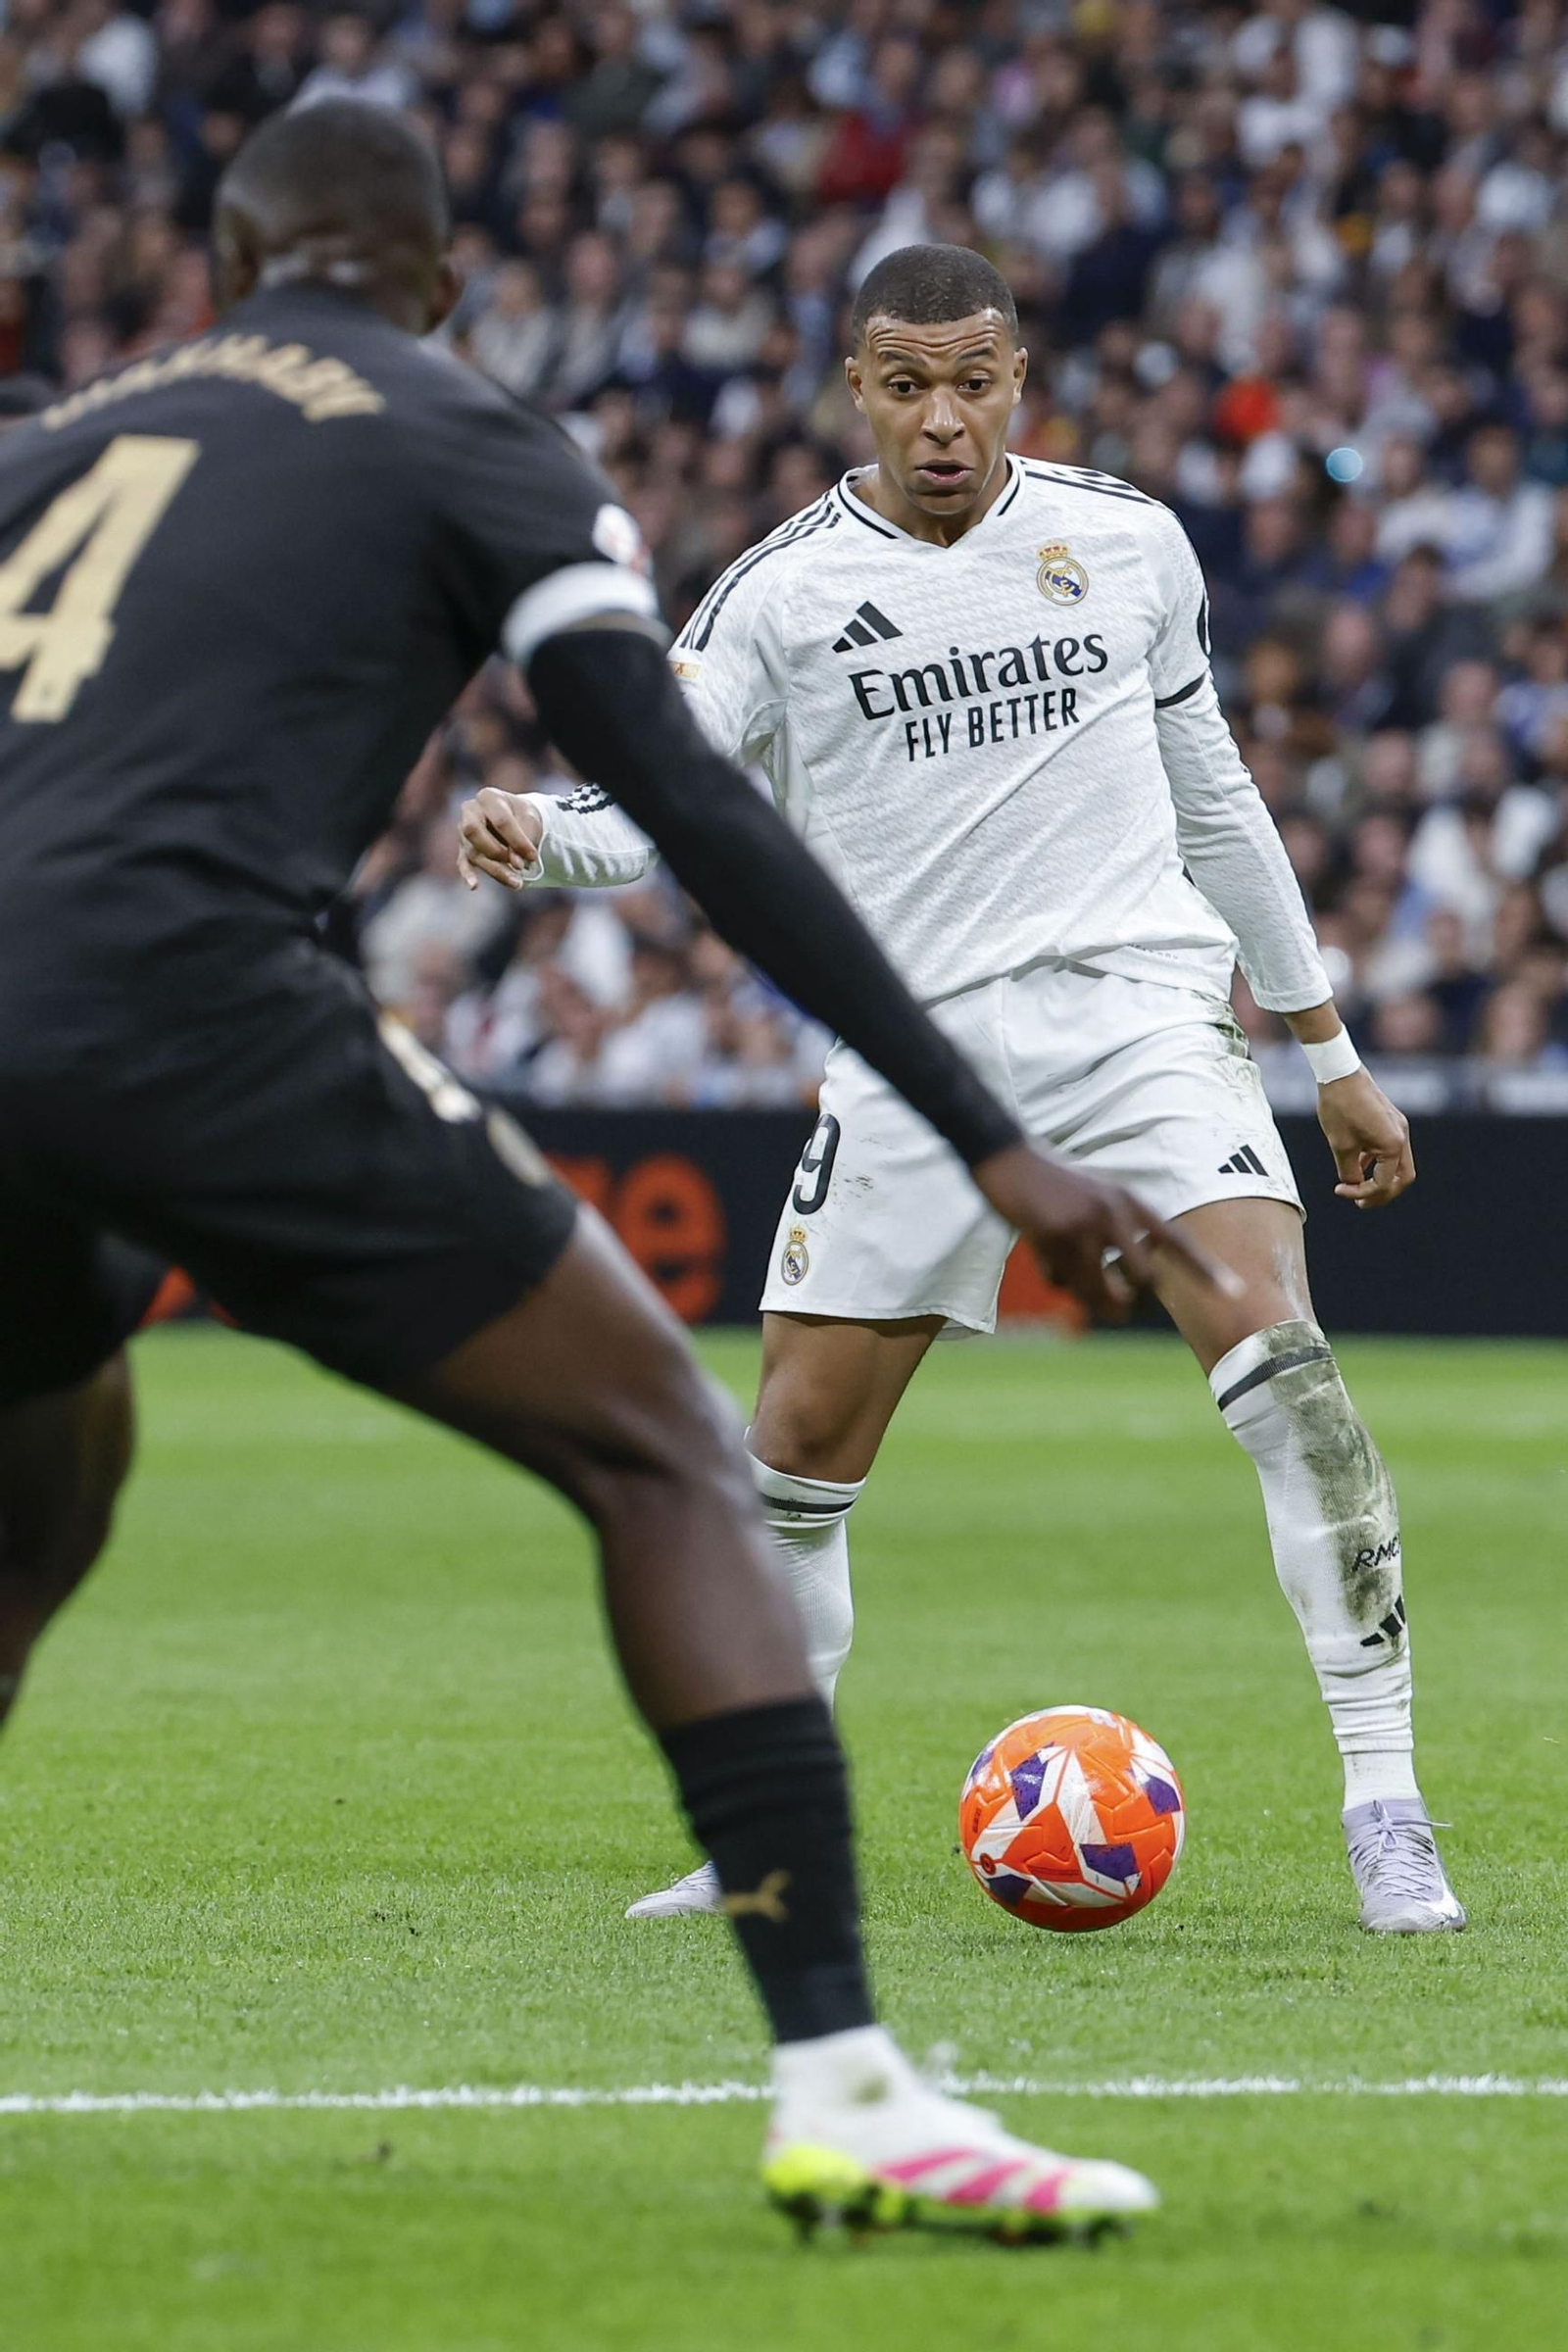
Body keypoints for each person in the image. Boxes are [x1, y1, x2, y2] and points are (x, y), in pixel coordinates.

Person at [0, 112, 1216, 2242]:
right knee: (665, 1445)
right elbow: (691, 805)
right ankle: (848, 2084)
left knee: (49, 1475)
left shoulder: (51, 442)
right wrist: (984, 1131)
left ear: (225, 276)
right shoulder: (464, 430)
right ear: (442, 280)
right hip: (191, 994)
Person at [461, 244, 1465, 1938]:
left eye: (975, 378)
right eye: (908, 382)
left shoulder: (1129, 541)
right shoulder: (780, 595)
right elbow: (658, 799)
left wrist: (1330, 1051)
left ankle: (1388, 1807)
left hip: (1141, 1016)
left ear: (1022, 379)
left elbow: (1214, 801)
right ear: (855, 386)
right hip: (917, 1055)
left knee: (1288, 1374)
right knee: (789, 1457)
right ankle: (767, 1834)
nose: (944, 417)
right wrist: (544, 834)